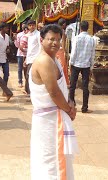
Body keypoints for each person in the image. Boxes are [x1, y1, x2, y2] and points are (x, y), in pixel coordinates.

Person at [29, 24, 78, 180]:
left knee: (56, 160)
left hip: (53, 118)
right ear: (41, 40)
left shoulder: (54, 59)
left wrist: (70, 102)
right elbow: (54, 92)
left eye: (58, 39)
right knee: (52, 162)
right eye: (51, 39)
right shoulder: (44, 61)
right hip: (49, 121)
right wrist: (69, 110)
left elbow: (62, 88)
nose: (55, 43)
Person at [69, 21, 95, 113]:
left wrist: (70, 63)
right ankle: (84, 107)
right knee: (85, 87)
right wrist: (91, 66)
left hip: (76, 64)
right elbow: (92, 54)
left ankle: (71, 104)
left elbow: (73, 52)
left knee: (72, 85)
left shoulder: (76, 38)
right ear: (87, 28)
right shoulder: (91, 39)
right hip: (86, 65)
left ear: (80, 28)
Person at [0, 22, 11, 97]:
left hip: (5, 58)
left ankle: (4, 90)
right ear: (1, 28)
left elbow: (7, 46)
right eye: (6, 27)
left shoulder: (7, 36)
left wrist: (8, 50)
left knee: (6, 75)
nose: (7, 29)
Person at [24, 20, 42, 95]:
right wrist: (26, 59)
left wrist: (38, 58)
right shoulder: (29, 35)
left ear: (35, 25)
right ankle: (28, 90)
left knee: (30, 75)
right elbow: (29, 49)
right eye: (30, 25)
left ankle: (30, 92)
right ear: (28, 26)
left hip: (35, 58)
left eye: (33, 25)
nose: (31, 27)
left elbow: (40, 46)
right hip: (29, 58)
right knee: (27, 75)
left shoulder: (38, 34)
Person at [14, 22, 28, 88]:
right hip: (20, 53)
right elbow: (17, 45)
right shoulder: (19, 35)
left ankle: (27, 82)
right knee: (20, 68)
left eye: (24, 26)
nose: (23, 27)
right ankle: (20, 81)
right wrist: (15, 40)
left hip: (28, 54)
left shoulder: (30, 34)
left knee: (27, 69)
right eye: (22, 25)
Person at [56, 18, 70, 86]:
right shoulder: (62, 31)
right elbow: (63, 43)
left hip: (55, 50)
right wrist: (65, 52)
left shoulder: (55, 30)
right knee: (63, 66)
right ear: (63, 24)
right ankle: (64, 82)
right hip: (61, 50)